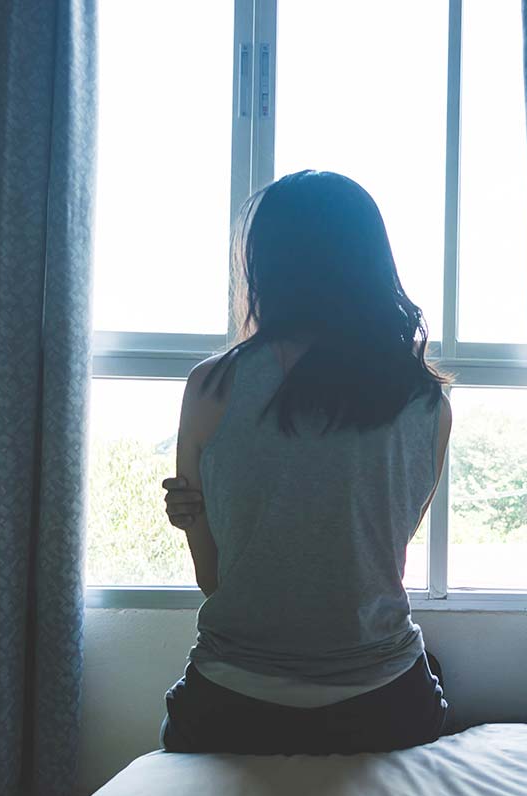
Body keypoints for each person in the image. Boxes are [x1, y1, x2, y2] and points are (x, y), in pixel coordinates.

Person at [156, 170, 451, 756]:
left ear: (265, 264)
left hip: (233, 705)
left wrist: (195, 516)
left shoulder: (212, 386)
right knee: (433, 670)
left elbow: (214, 581)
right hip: (383, 704)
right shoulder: (426, 402)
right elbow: (372, 561)